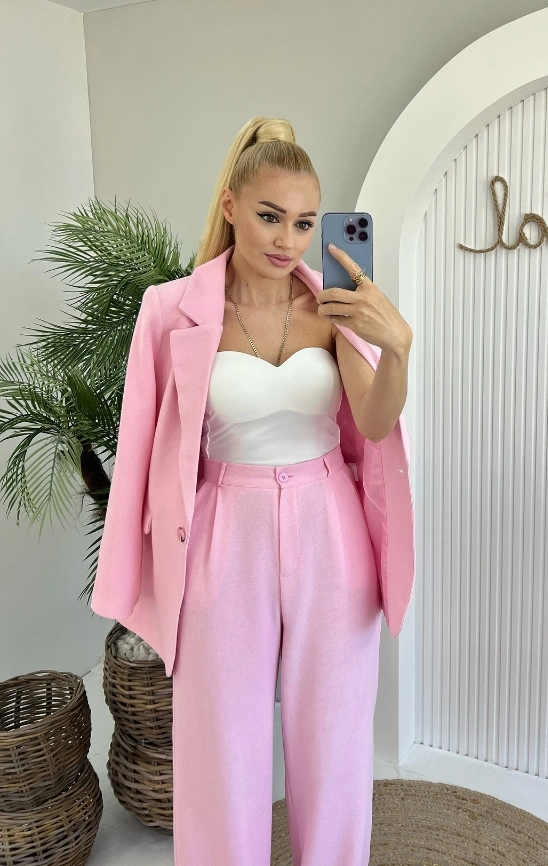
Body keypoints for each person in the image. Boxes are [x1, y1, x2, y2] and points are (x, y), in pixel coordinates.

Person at [90, 115, 415, 865]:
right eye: (270, 216)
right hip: (222, 535)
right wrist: (139, 564)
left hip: (330, 528)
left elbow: (373, 419)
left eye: (305, 222)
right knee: (221, 748)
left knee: (334, 740)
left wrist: (395, 347)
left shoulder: (333, 307)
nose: (287, 240)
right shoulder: (170, 310)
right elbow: (139, 445)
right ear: (231, 205)